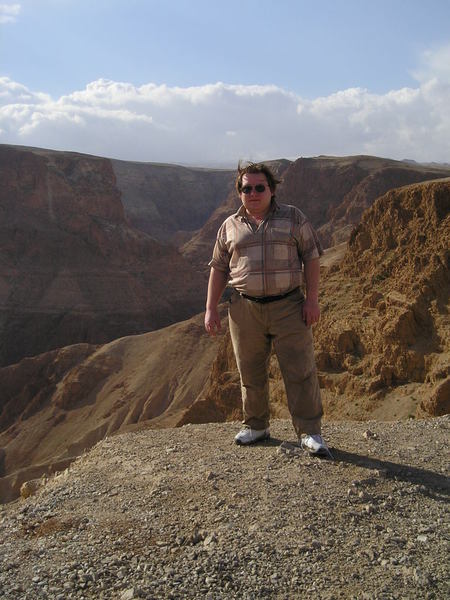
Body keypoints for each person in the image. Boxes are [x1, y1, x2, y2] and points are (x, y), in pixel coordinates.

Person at [204, 161, 330, 456]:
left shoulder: (293, 217)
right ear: (239, 192)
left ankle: (309, 432)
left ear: (272, 190)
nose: (253, 193)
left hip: (288, 306)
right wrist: (210, 308)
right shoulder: (229, 225)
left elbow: (311, 257)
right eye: (246, 188)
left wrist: (312, 299)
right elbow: (218, 268)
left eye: (259, 187)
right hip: (244, 309)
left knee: (300, 370)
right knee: (250, 371)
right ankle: (256, 425)